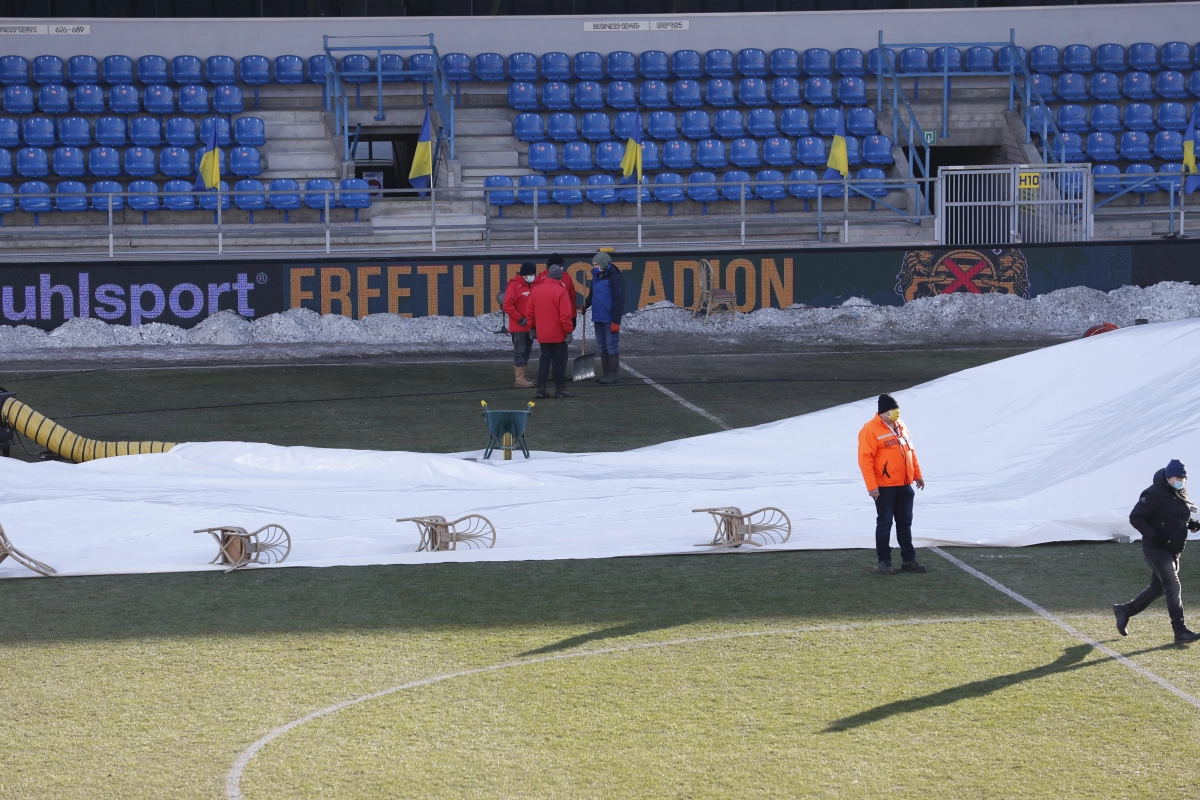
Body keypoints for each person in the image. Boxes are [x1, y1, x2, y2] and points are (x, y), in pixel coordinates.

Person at [1114, 460, 1200, 644]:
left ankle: (1125, 610)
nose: (1181, 481)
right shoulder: (1153, 494)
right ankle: (1180, 631)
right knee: (1173, 587)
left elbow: (1178, 514)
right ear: (1168, 477)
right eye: (1178, 478)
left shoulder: (1179, 492)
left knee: (1159, 587)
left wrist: (1191, 523)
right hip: (1156, 549)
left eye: (1184, 478)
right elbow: (1135, 517)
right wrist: (1155, 536)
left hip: (1174, 549)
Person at [857, 393, 927, 575]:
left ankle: (909, 559)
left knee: (905, 523)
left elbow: (910, 451)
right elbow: (865, 460)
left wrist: (917, 475)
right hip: (884, 487)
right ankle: (884, 561)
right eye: (892, 411)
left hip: (904, 484)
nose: (896, 414)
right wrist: (872, 487)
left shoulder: (901, 425)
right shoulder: (870, 429)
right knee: (885, 523)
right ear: (883, 412)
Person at [527, 263, 575, 400]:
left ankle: (541, 388)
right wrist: (568, 331)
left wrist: (532, 328)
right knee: (560, 361)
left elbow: (530, 311)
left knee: (544, 360)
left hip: (543, 334)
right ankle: (560, 388)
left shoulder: (536, 290)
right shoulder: (561, 291)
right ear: (559, 277)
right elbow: (565, 315)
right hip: (559, 334)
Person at [581, 252, 626, 385]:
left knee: (611, 345)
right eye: (593, 264)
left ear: (604, 264)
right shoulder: (596, 276)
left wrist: (616, 321)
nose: (595, 267)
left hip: (609, 317)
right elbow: (592, 294)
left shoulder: (615, 277)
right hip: (598, 316)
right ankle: (606, 373)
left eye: (597, 264)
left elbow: (619, 300)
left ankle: (612, 374)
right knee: (602, 345)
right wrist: (586, 305)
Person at [502, 262, 537, 389]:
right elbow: (507, 306)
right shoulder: (514, 286)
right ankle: (520, 379)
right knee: (520, 351)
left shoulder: (533, 284)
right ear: (524, 275)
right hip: (519, 327)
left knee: (526, 351)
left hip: (530, 326)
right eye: (531, 274)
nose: (533, 276)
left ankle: (523, 377)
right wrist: (520, 319)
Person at [535, 253, 578, 331]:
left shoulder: (567, 277)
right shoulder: (540, 278)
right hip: (546, 316)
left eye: (561, 266)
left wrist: (573, 316)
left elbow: (572, 298)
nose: (560, 268)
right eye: (559, 266)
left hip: (562, 316)